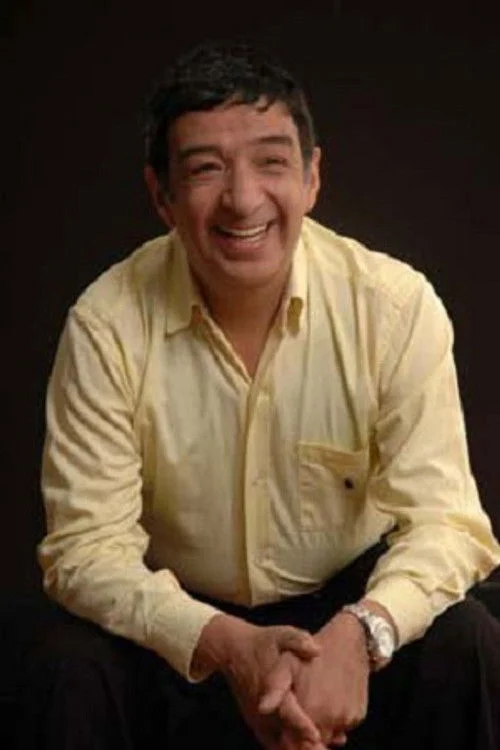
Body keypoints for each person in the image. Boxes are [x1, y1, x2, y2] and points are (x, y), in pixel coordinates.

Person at [24, 40, 500, 749]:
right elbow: (85, 549)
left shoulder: (393, 307)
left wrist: (362, 632)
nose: (243, 199)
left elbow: (448, 524)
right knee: (64, 667)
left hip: (346, 613)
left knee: (468, 641)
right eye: (206, 169)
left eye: (271, 163)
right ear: (162, 196)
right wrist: (225, 644)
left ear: (312, 177)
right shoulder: (107, 324)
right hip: (182, 628)